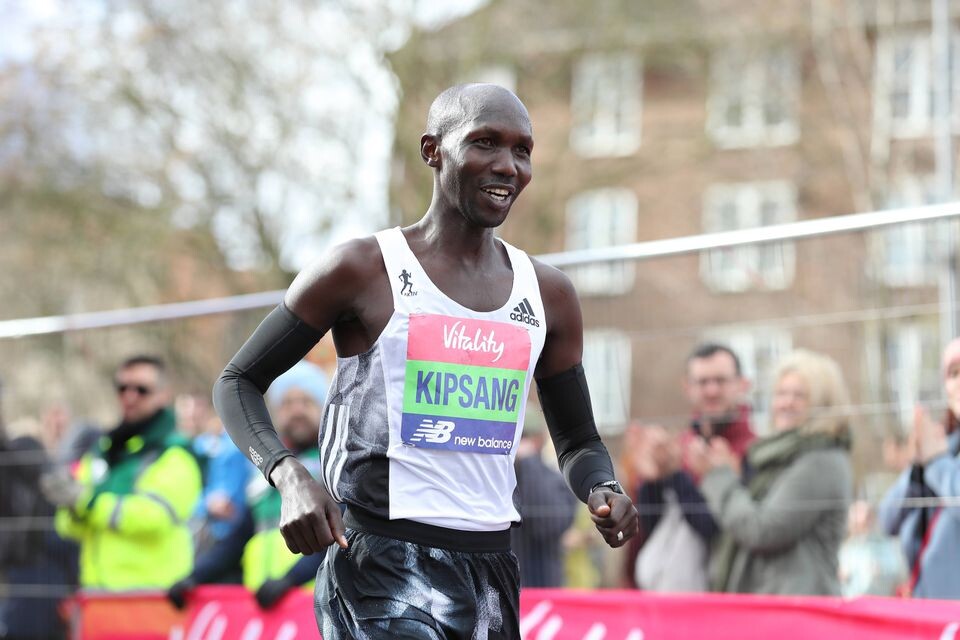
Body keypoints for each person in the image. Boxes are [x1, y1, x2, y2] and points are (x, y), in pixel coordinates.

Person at [213, 83, 638, 638]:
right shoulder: (363, 269)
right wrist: (288, 473)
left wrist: (603, 487)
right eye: (485, 142)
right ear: (432, 150)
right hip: (379, 563)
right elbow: (238, 380)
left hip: (490, 571)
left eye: (522, 151)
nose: (508, 166)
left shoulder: (548, 294)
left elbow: (579, 441)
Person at [689, 349, 853, 595]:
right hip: (775, 603)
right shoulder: (778, 455)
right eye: (781, 393)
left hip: (798, 607)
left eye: (800, 395)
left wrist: (719, 475)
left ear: (823, 404)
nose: (786, 403)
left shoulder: (821, 460)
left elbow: (763, 530)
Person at [168, 361, 329, 610]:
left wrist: (290, 580)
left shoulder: (331, 467)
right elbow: (237, 538)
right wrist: (195, 577)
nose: (296, 411)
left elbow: (334, 539)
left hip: (314, 606)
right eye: (287, 403)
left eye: (306, 402)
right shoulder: (263, 472)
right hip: (263, 607)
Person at [41, 355, 202, 590]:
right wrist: (72, 504)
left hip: (154, 596)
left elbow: (154, 517)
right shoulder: (103, 450)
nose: (130, 396)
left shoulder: (176, 454)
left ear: (164, 394)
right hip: (98, 594)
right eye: (122, 388)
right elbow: (66, 526)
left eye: (142, 389)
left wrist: (85, 502)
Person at [624, 343, 755, 591]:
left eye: (721, 381)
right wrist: (652, 480)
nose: (711, 390)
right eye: (702, 382)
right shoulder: (679, 445)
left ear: (742, 384)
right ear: (687, 387)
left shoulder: (753, 451)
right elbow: (650, 530)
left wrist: (676, 475)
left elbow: (720, 532)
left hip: (729, 593)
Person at [878, 337, 960, 599]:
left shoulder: (939, 456)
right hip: (928, 608)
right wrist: (918, 469)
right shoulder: (944, 445)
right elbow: (887, 519)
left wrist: (935, 461)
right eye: (954, 373)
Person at [510, 406, 577, 588]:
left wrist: (529, 463)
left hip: (542, 586)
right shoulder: (495, 481)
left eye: (523, 437)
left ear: (538, 440)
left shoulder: (555, 481)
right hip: (503, 587)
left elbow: (547, 526)